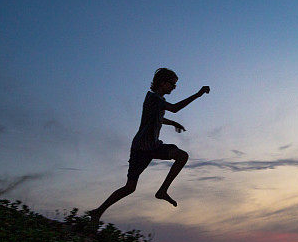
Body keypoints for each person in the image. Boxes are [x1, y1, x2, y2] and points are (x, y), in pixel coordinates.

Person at [88, 68, 210, 223]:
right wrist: (198, 94)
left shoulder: (159, 101)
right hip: (140, 149)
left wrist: (172, 123)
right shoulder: (153, 98)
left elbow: (158, 117)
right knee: (130, 187)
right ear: (162, 82)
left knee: (182, 156)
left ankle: (162, 191)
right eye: (172, 84)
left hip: (153, 146)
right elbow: (174, 109)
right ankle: (98, 212)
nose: (174, 87)